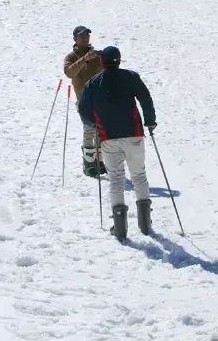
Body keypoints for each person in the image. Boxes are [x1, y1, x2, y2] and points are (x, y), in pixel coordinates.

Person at [77, 47, 157, 240]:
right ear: (119, 61)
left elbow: (83, 109)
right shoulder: (131, 77)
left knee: (116, 178)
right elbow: (145, 98)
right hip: (134, 135)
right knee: (139, 175)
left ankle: (120, 228)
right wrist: (150, 121)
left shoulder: (92, 83)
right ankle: (145, 224)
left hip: (108, 137)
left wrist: (94, 124)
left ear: (102, 62)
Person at [63, 26, 105, 178]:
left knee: (101, 130)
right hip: (83, 100)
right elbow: (69, 72)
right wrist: (83, 59)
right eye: (82, 36)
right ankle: (89, 164)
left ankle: (101, 162)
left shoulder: (97, 55)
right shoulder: (71, 57)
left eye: (87, 36)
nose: (86, 39)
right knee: (89, 130)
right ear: (75, 39)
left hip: (99, 98)